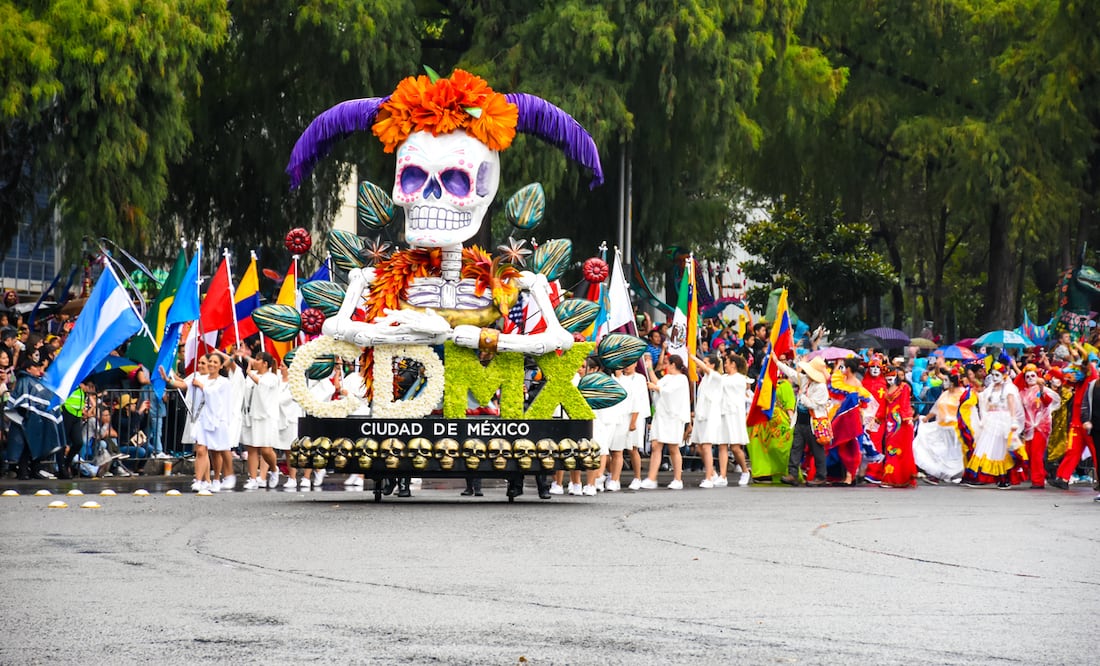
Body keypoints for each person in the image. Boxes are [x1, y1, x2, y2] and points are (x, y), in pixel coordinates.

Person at [962, 362, 1024, 488]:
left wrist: (1013, 421)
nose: (995, 377)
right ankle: (980, 476)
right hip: (990, 420)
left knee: (1000, 450)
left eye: (997, 375)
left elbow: (1012, 405)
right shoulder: (990, 388)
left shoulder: (1008, 389)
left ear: (1004, 375)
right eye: (993, 375)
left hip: (1003, 420)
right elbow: (983, 400)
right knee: (984, 447)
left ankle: (1004, 477)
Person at [4, 354, 63, 480]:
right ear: (28, 369)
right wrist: (28, 415)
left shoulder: (38, 381)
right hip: (27, 418)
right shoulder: (24, 381)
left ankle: (35, 470)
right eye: (35, 368)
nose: (38, 370)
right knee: (26, 445)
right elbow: (22, 401)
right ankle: (23, 471)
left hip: (39, 419)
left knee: (37, 444)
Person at [775, 355, 831, 487]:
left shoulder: (821, 388)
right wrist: (777, 362)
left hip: (813, 422)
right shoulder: (805, 379)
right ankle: (792, 474)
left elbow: (814, 404)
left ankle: (821, 476)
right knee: (796, 447)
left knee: (817, 450)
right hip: (800, 420)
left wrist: (801, 396)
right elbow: (791, 373)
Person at [640, 354, 690, 490]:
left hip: (673, 417)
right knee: (656, 445)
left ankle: (678, 479)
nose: (666, 366)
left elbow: (668, 392)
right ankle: (651, 478)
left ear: (673, 364)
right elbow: (657, 383)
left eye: (668, 363)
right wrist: (649, 368)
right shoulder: (667, 378)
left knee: (673, 448)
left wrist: (655, 387)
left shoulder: (682, 379)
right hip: (661, 416)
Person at [913, 367, 966, 483]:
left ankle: (957, 474)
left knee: (953, 454)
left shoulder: (963, 393)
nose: (944, 383)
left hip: (955, 429)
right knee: (940, 452)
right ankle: (938, 475)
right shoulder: (945, 394)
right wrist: (926, 418)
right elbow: (936, 408)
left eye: (946, 380)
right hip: (941, 427)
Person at [1016, 363, 1061, 489]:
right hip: (1029, 427)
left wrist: (1041, 389)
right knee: (1029, 453)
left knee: (1036, 453)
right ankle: (1040, 474)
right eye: (1027, 376)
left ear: (1037, 376)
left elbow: (1047, 402)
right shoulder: (1022, 393)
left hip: (1041, 426)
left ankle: (1038, 481)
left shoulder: (1042, 390)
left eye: (1032, 375)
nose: (1030, 378)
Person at [243, 352, 281, 490]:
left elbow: (262, 384)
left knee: (266, 449)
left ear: (265, 363)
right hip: (252, 415)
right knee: (252, 448)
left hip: (266, 417)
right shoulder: (252, 376)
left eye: (258, 360)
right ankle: (253, 478)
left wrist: (249, 373)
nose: (255, 362)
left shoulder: (272, 377)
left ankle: (274, 469)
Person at [689, 353, 724, 488]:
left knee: (706, 446)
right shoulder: (704, 379)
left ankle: (708, 478)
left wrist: (692, 357)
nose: (702, 365)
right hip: (701, 416)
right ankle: (713, 472)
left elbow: (705, 368)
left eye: (705, 362)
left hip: (710, 416)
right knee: (699, 446)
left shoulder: (716, 376)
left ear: (712, 365)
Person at [719, 353, 754, 486]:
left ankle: (745, 470)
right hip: (723, 413)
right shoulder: (723, 378)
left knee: (735, 447)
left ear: (733, 364)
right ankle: (722, 476)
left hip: (735, 414)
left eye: (727, 362)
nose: (725, 365)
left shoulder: (741, 379)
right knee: (722, 444)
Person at [880, 365, 917, 487]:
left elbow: (905, 403)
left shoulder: (904, 387)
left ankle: (892, 478)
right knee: (889, 447)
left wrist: (907, 418)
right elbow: (883, 405)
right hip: (889, 421)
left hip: (901, 422)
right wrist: (878, 417)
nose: (889, 380)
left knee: (897, 449)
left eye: (891, 377)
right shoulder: (886, 388)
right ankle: (895, 477)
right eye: (887, 378)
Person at [619, 360, 650, 491]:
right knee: (616, 449)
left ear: (636, 364)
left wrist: (633, 421)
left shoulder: (640, 379)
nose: (627, 366)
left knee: (633, 449)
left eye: (630, 363)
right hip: (620, 416)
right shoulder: (619, 377)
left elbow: (638, 401)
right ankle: (613, 476)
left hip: (635, 417)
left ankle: (637, 477)